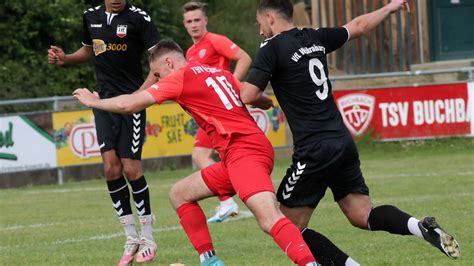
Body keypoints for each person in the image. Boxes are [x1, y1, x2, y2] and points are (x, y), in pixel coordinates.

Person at [240, 0, 461, 264]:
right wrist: (389, 7)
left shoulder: (271, 47)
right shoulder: (315, 36)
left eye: (260, 23)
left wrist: (264, 101)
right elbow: (358, 26)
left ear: (269, 17)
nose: (260, 29)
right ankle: (420, 227)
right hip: (341, 141)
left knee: (285, 226)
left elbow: (248, 94)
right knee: (361, 213)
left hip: (314, 149)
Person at [73, 39, 319, 266]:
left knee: (269, 218)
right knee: (180, 193)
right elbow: (252, 95)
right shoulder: (219, 72)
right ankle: (210, 261)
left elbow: (129, 104)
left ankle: (309, 263)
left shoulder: (180, 76)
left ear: (169, 62)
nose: (158, 80)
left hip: (244, 152)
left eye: (158, 74)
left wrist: (94, 102)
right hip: (239, 154)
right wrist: (265, 102)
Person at [47, 0, 160, 264]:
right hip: (103, 102)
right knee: (111, 168)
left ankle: (148, 236)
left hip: (131, 103)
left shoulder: (139, 18)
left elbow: (159, 60)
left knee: (131, 167)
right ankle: (130, 236)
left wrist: (139, 95)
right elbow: (90, 50)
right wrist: (66, 58)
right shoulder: (90, 17)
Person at [182, 1, 253, 223]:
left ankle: (227, 201)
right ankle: (246, 197)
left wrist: (233, 85)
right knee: (230, 158)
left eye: (197, 20)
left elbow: (244, 58)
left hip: (221, 111)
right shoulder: (190, 52)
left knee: (200, 155)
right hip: (209, 113)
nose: (194, 25)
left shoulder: (214, 41)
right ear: (184, 25)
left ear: (205, 20)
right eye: (189, 21)